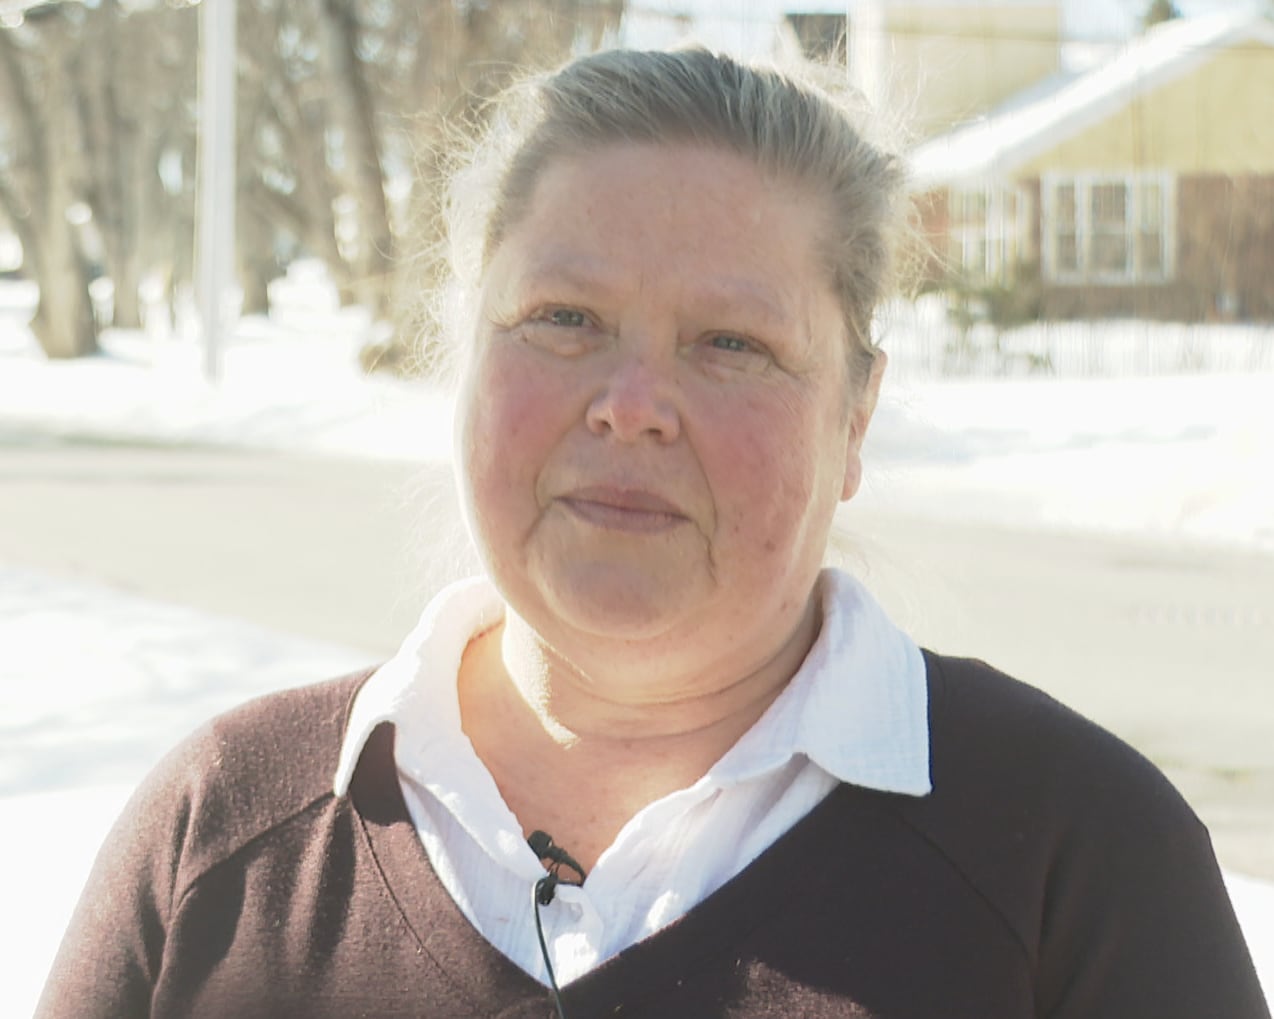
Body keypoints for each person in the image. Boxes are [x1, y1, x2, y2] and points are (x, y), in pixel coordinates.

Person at [38, 47, 1268, 1019]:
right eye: (563, 316)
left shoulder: (1072, 859)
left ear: (854, 418)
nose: (629, 404)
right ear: (459, 359)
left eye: (729, 343)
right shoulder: (225, 832)